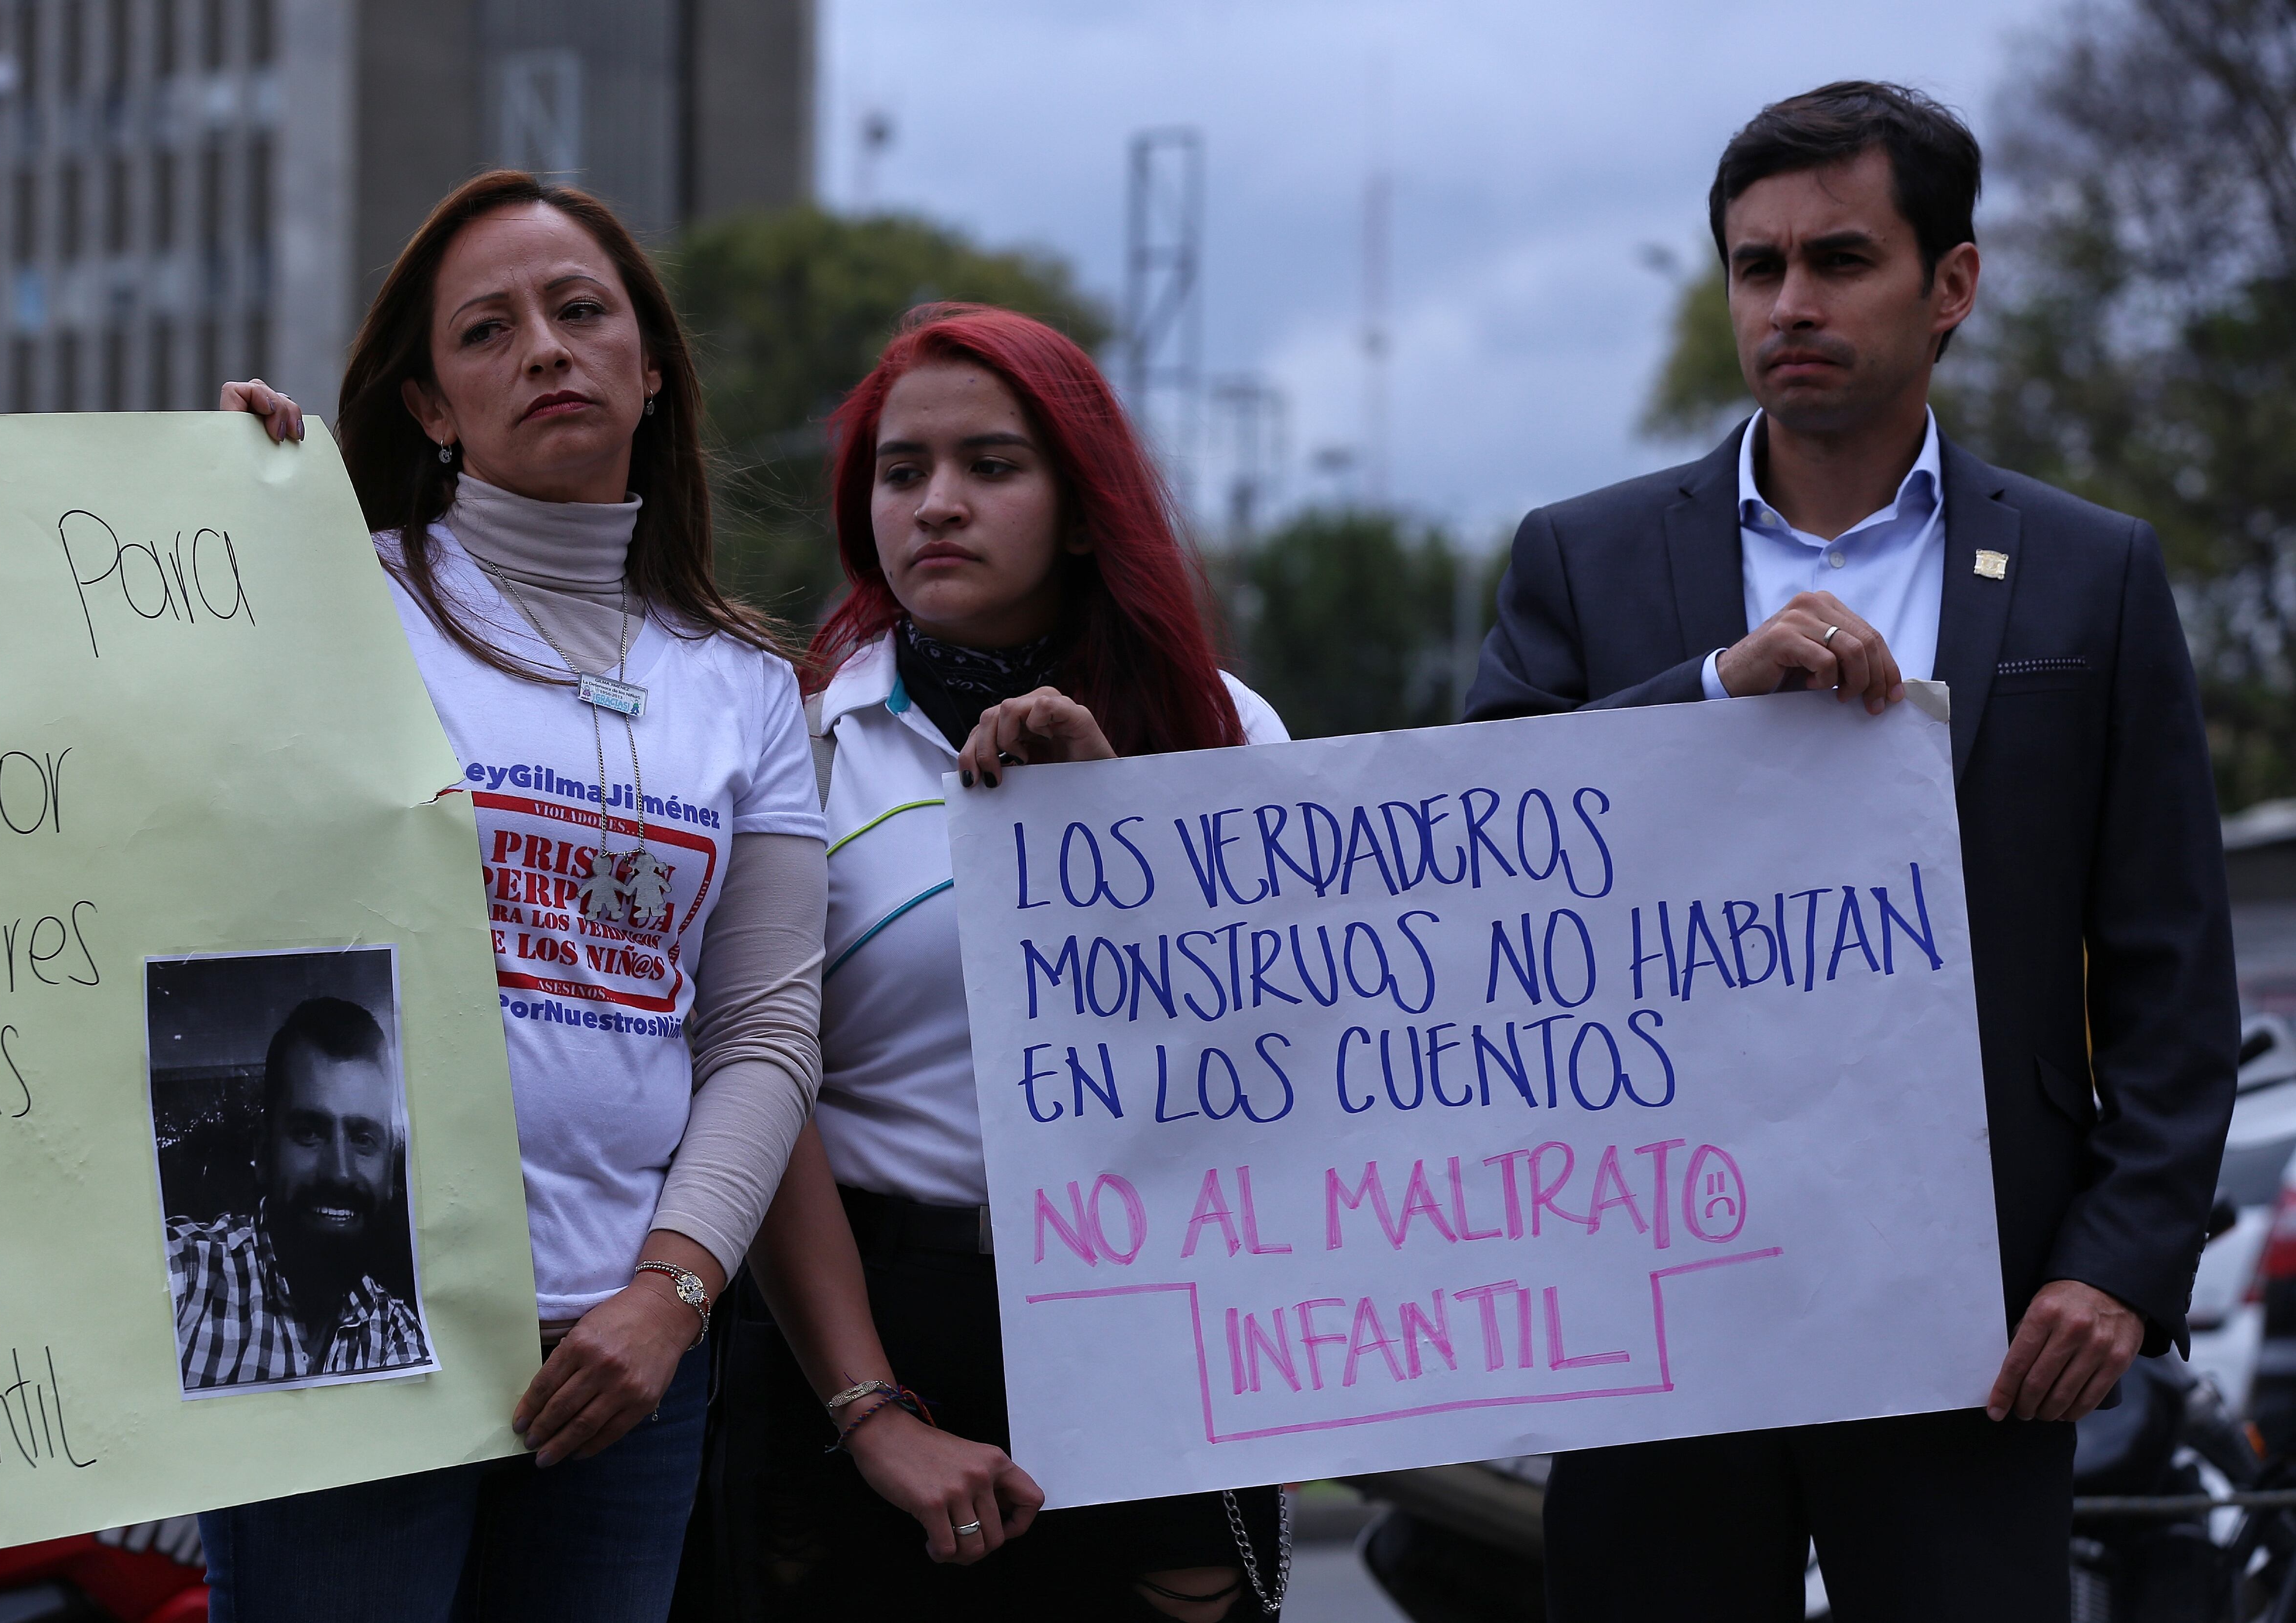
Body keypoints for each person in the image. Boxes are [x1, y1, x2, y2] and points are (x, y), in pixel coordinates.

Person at [1463, 81, 2240, 1621]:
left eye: (1838, 259)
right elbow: (1480, 850)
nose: (1789, 303)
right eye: (1757, 268)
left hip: (1979, 1315)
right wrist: (1703, 695)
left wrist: (2117, 1263)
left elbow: (2168, 955)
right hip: (1654, 1300)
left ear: (1949, 283)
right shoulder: (1584, 553)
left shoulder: (2089, 573)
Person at [208, 171, 825, 1621]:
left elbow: (763, 1031)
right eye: (485, 331)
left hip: (625, 1366)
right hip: (350, 1336)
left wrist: (667, 1299)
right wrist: (211, 524)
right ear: (428, 406)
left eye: (580, 310)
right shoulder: (329, 601)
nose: (543, 348)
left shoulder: (742, 689)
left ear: (651, 368)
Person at [682, 304, 1294, 1623]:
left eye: (992, 465)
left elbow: (1282, 1064)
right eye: (902, 473)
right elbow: (753, 1077)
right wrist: (869, 1403)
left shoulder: (1226, 730)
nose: (939, 504)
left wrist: (1117, 822)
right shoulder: (797, 739)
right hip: (866, 1320)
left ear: (1084, 508)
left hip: (1156, 1326)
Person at [166, 996, 430, 1391]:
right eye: (309, 1132)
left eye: (363, 1138)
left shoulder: (400, 1336)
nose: (340, 1173)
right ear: (263, 1152)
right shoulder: (186, 1275)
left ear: (390, 1170)